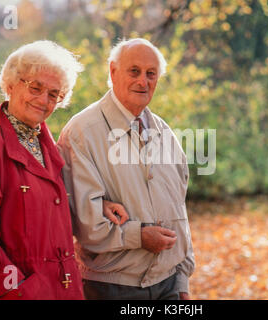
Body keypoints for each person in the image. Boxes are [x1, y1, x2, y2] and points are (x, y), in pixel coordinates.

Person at [0, 40, 128, 300]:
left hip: (63, 289)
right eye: (35, 88)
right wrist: (18, 288)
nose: (43, 100)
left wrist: (97, 205)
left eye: (54, 94)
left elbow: (50, 204)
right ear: (10, 85)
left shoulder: (49, 147)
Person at [57, 38, 195, 300]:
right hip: (112, 288)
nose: (143, 81)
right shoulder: (82, 133)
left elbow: (179, 210)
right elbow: (87, 225)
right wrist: (139, 236)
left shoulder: (164, 133)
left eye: (151, 74)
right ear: (113, 71)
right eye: (134, 71)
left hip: (169, 286)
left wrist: (182, 280)